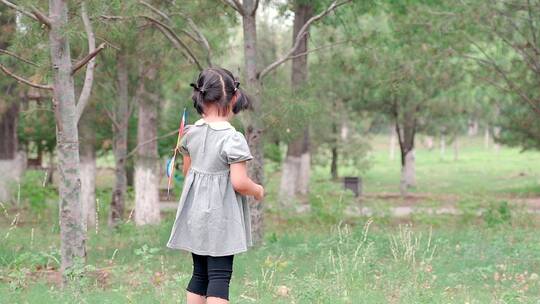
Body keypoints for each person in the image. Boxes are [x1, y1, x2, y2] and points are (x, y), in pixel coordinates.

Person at [167, 67, 264, 304]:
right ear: (233, 97)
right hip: (220, 216)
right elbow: (239, 182)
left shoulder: (190, 133)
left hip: (195, 213)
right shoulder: (232, 138)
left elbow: (188, 172)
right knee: (220, 276)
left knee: (199, 274)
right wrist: (257, 189)